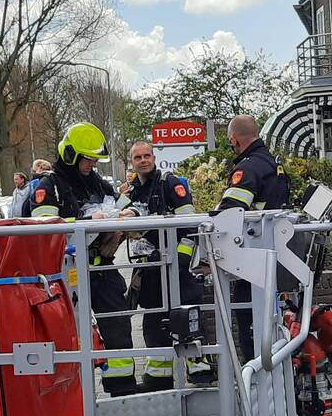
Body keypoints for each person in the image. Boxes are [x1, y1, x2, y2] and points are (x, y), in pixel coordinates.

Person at [29, 122, 136, 396]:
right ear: (71, 155)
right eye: (87, 159)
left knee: (118, 323)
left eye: (94, 159)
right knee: (68, 335)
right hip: (66, 275)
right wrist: (87, 221)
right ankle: (72, 398)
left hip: (100, 269)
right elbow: (44, 228)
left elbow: (125, 205)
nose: (91, 164)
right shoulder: (49, 186)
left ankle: (122, 388)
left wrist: (130, 214)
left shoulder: (97, 182)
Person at [119, 141, 212, 390]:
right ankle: (158, 377)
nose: (143, 160)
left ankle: (200, 372)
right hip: (149, 268)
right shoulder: (131, 191)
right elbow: (114, 219)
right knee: (152, 320)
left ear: (154, 157)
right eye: (137, 157)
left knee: (187, 317)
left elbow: (190, 225)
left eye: (147, 155)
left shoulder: (171, 184)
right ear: (132, 162)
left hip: (177, 267)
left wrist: (180, 260)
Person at [215, 115, 291, 361]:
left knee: (250, 326)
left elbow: (231, 210)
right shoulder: (272, 163)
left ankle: (254, 384)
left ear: (234, 140)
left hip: (252, 262)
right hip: (275, 257)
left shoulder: (247, 168)